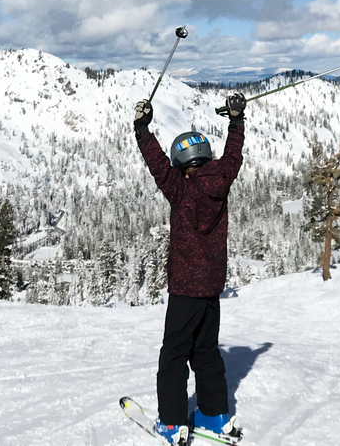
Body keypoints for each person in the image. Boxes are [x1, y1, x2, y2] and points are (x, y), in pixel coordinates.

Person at [133, 92, 248, 446]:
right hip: (211, 288)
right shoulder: (223, 180)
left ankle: (172, 422)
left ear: (182, 163)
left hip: (184, 290)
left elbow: (156, 165)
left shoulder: (180, 191)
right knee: (207, 352)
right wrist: (236, 120)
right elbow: (233, 155)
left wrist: (142, 128)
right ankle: (214, 416)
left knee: (174, 356)